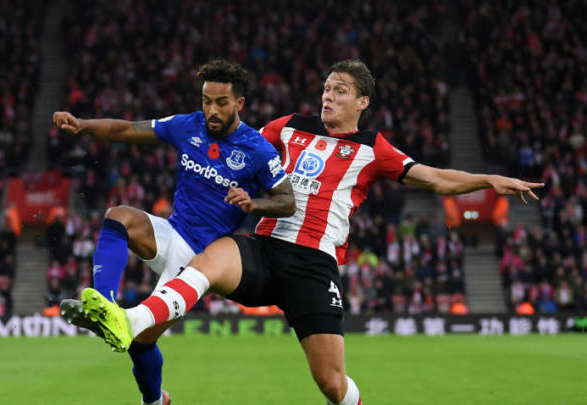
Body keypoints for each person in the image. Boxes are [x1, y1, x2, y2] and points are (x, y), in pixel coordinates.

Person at [82, 59, 544, 404]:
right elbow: (241, 149)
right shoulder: (287, 128)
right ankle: (130, 320)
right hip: (262, 248)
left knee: (330, 383)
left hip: (314, 265)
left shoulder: (373, 149)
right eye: (326, 88)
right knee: (214, 256)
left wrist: (489, 179)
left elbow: (436, 179)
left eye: (341, 90)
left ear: (362, 102)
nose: (328, 96)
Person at [52, 59, 295, 405]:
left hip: (198, 264)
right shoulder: (187, 126)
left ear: (239, 104)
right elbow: (126, 129)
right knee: (118, 216)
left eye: (221, 103)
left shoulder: (256, 150)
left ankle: (154, 401)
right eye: (206, 101)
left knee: (140, 342)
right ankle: (104, 303)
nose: (211, 109)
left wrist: (254, 203)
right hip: (171, 232)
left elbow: (288, 201)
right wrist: (82, 125)